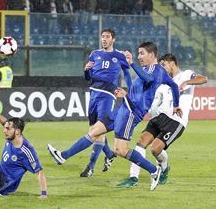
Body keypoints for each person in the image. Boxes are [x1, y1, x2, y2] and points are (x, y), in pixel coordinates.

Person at [47, 42, 181, 191]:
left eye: (142, 53)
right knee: (94, 130)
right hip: (124, 106)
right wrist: (176, 104)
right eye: (138, 53)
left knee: (120, 150)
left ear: (151, 55)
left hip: (131, 112)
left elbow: (148, 79)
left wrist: (132, 64)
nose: (139, 56)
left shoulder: (155, 69)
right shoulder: (153, 70)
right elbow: (174, 86)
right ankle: (63, 156)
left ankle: (154, 171)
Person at [117, 53, 208, 187]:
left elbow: (203, 79)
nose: (163, 68)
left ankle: (164, 169)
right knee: (141, 141)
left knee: (155, 149)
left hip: (176, 120)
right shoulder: (163, 82)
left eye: (164, 65)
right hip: (160, 117)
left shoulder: (186, 74)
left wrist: (186, 82)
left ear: (172, 63)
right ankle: (133, 178)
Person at [79, 29, 132, 178]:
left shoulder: (119, 56)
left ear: (113, 39)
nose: (104, 39)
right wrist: (86, 71)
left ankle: (90, 167)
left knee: (98, 130)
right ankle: (108, 153)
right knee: (94, 130)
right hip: (94, 94)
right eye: (102, 37)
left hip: (108, 95)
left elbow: (127, 73)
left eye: (107, 37)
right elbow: (88, 78)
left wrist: (131, 91)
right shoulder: (94, 54)